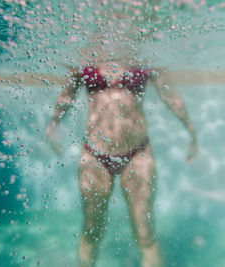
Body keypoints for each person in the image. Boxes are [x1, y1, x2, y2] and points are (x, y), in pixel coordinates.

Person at [45, 33, 198, 267]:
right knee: (91, 229)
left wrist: (190, 129)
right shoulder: (85, 52)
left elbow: (169, 94)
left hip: (138, 155)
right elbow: (67, 94)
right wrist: (54, 123)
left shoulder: (146, 51)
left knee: (145, 232)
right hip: (94, 156)